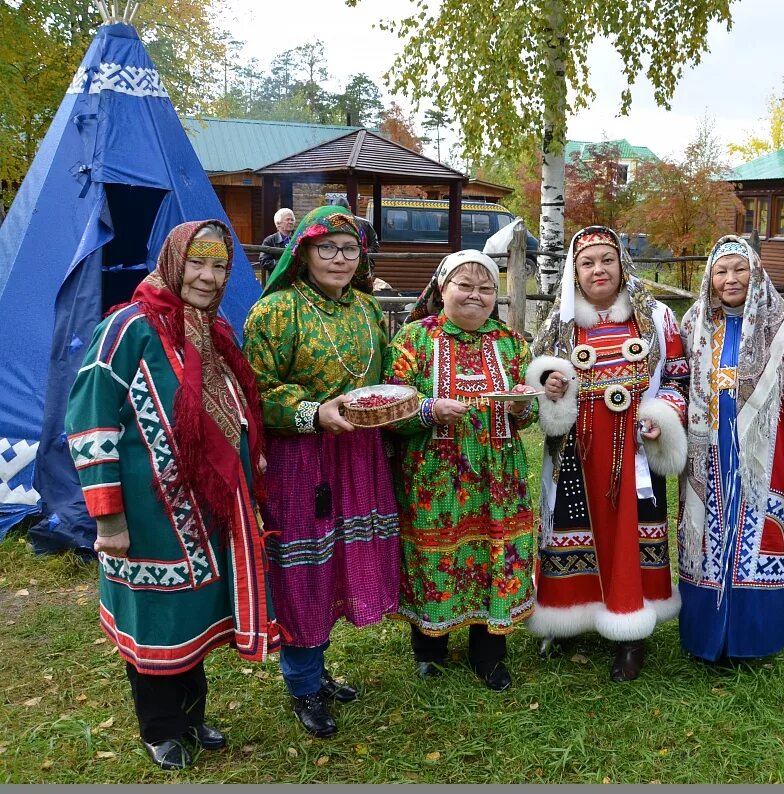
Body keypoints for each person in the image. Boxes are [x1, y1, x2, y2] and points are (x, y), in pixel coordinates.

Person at [65, 221, 281, 771]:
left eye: (219, 267)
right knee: (155, 617)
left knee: (191, 616)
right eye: (197, 264)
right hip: (148, 515)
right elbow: (90, 422)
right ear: (172, 262)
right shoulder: (127, 327)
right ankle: (159, 728)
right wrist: (108, 518)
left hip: (205, 511)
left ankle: (190, 716)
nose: (208, 278)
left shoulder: (214, 329)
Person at [242, 205, 400, 739]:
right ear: (303, 252)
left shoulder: (367, 310)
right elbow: (257, 391)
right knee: (305, 567)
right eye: (326, 248)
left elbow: (383, 378)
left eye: (349, 249)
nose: (338, 258)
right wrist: (314, 413)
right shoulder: (275, 313)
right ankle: (303, 684)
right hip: (302, 458)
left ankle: (318, 667)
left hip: (358, 454)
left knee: (339, 561)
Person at [525, 225, 689, 682]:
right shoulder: (561, 323)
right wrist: (549, 386)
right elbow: (532, 380)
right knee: (569, 530)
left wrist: (662, 416)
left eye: (606, 260)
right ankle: (568, 616)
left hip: (634, 452)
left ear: (622, 265)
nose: (598, 269)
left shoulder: (655, 318)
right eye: (586, 262)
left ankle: (631, 634)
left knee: (629, 538)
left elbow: (677, 378)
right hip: (576, 453)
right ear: (574, 273)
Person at [389, 250, 539, 691]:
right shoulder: (416, 339)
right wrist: (429, 408)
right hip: (435, 478)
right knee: (436, 553)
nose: (475, 296)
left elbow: (526, 416)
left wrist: (527, 401)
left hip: (500, 478)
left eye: (486, 288)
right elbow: (391, 403)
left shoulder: (511, 343)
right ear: (442, 288)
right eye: (464, 286)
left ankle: (489, 654)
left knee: (497, 553)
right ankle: (429, 648)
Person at [677, 235, 784, 664]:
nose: (730, 279)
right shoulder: (693, 327)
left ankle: (752, 642)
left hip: (767, 460)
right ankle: (704, 638)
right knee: (703, 544)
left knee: (760, 541)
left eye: (739, 269)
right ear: (710, 277)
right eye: (721, 271)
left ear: (756, 273)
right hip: (706, 457)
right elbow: (673, 382)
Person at [258, 208, 296, 280]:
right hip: (276, 280)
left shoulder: (299, 237)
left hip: (295, 280)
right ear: (278, 223)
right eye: (287, 220)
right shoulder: (269, 240)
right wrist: (285, 261)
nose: (291, 222)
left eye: (292, 220)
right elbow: (264, 262)